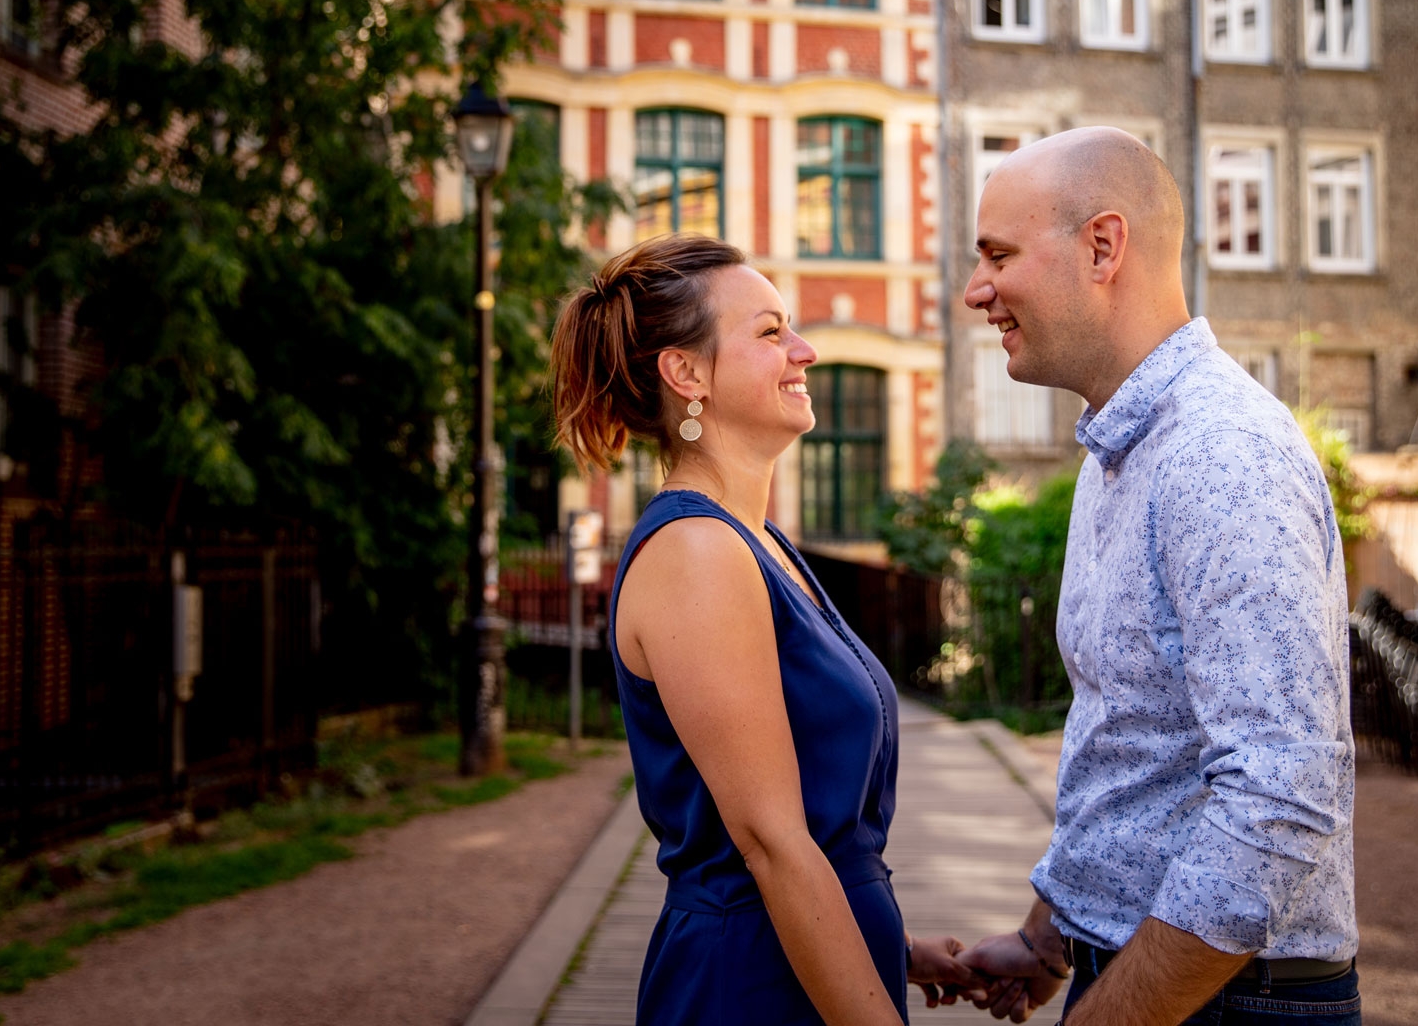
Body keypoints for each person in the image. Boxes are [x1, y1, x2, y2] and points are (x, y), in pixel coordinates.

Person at [953, 128, 1360, 1026]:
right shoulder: (1122, 447)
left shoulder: (1222, 455)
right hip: (1153, 976)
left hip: (1227, 1002)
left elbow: (1280, 796)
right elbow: (1133, 748)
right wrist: (1049, 940)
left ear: (1103, 247)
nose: (975, 290)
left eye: (998, 255)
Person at [549, 234, 983, 1025]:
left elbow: (806, 835)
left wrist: (895, 947)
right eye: (770, 332)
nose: (805, 350)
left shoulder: (757, 543)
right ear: (686, 374)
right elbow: (771, 846)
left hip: (803, 967)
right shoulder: (696, 553)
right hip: (746, 990)